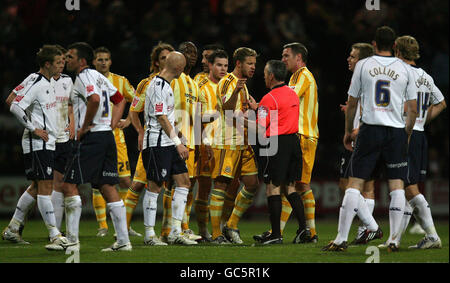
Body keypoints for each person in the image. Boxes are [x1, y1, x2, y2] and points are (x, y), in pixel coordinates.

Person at [322, 26, 418, 252]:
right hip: (395, 131)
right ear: (394, 46)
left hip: (369, 129)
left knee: (354, 183)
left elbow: (352, 102)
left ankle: (340, 239)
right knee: (396, 185)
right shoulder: (405, 69)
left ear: (374, 44)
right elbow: (413, 108)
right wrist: (407, 132)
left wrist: (347, 131)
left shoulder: (364, 65)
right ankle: (394, 240)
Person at [377, 35, 446, 249]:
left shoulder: (402, 73)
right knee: (406, 189)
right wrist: (422, 121)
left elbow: (407, 107)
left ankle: (433, 236)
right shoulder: (425, 75)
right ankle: (395, 239)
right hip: (419, 135)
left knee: (407, 187)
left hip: (406, 133)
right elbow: (442, 103)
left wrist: (407, 127)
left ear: (397, 50)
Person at [2, 45, 75, 244]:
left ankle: (13, 228)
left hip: (49, 141)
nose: (63, 65)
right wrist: (33, 127)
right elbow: (15, 105)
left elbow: (12, 98)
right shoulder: (37, 83)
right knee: (45, 186)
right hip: (38, 141)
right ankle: (55, 235)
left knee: (36, 186)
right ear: (47, 64)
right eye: (59, 62)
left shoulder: (45, 81)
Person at [63, 42, 131, 252]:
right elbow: (119, 100)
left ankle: (72, 241)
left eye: (70, 57)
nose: (67, 60)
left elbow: (93, 99)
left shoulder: (84, 77)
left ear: (81, 60)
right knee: (108, 186)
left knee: (68, 184)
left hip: (92, 137)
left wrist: (83, 128)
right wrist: (111, 124)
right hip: (107, 137)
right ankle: (123, 241)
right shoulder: (100, 77)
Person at [254, 42, 320, 243]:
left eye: (286, 56)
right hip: (295, 137)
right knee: (291, 187)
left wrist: (244, 118)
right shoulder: (292, 80)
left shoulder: (303, 77)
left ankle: (306, 232)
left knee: (295, 186)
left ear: (298, 58)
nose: (283, 60)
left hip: (298, 136)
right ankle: (296, 231)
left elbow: (281, 100)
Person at [245, 60, 309, 245]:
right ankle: (303, 229)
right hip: (293, 143)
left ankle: (276, 235)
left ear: (271, 76)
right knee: (290, 188)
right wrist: (259, 109)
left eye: (265, 73)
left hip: (276, 144)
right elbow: (280, 115)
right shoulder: (292, 93)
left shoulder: (268, 99)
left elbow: (259, 128)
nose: (263, 76)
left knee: (272, 187)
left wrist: (239, 120)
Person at [141, 51, 197, 245]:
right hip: (157, 143)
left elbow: (167, 117)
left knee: (184, 182)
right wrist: (178, 142)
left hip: (168, 141)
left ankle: (175, 232)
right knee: (155, 186)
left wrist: (178, 136)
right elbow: (161, 117)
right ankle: (149, 235)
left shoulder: (166, 85)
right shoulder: (158, 86)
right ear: (179, 69)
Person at [209, 47, 259, 244]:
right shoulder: (228, 82)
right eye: (250, 63)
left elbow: (242, 112)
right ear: (239, 64)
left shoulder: (243, 86)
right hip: (226, 141)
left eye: (254, 64)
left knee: (252, 184)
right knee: (221, 185)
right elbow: (227, 109)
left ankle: (231, 224)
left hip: (243, 143)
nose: (253, 67)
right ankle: (215, 234)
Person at [124, 42, 175, 237]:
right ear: (156, 62)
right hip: (155, 140)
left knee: (177, 183)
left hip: (172, 140)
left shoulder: (178, 81)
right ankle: (125, 227)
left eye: (170, 57)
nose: (168, 61)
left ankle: (171, 230)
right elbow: (134, 111)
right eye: (163, 58)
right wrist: (140, 132)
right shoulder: (148, 83)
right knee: (139, 183)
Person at [91, 46, 142, 238]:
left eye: (106, 59)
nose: (103, 62)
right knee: (97, 183)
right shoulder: (88, 80)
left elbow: (137, 98)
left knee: (125, 180)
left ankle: (125, 225)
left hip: (116, 139)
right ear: (94, 62)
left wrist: (128, 121)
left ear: (110, 62)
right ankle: (103, 226)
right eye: (99, 59)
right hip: (94, 136)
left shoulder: (120, 81)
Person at [159, 42, 202, 242]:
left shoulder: (192, 83)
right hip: (174, 139)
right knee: (172, 185)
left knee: (185, 185)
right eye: (187, 52)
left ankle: (181, 227)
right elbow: (166, 111)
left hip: (190, 141)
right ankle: (167, 230)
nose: (191, 56)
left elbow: (198, 115)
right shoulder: (174, 80)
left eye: (194, 53)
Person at [338, 43, 379, 245]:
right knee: (366, 187)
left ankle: (371, 227)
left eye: (352, 56)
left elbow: (371, 105)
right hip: (368, 135)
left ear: (362, 61)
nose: (349, 59)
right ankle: (365, 231)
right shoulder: (371, 77)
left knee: (347, 185)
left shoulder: (362, 78)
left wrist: (358, 127)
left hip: (360, 137)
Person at [195, 49, 229, 241]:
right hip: (207, 143)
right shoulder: (201, 85)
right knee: (205, 187)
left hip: (227, 144)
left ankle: (222, 229)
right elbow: (197, 117)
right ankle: (203, 230)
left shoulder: (229, 86)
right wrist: (205, 140)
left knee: (225, 186)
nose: (223, 69)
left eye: (225, 65)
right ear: (210, 65)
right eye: (219, 65)